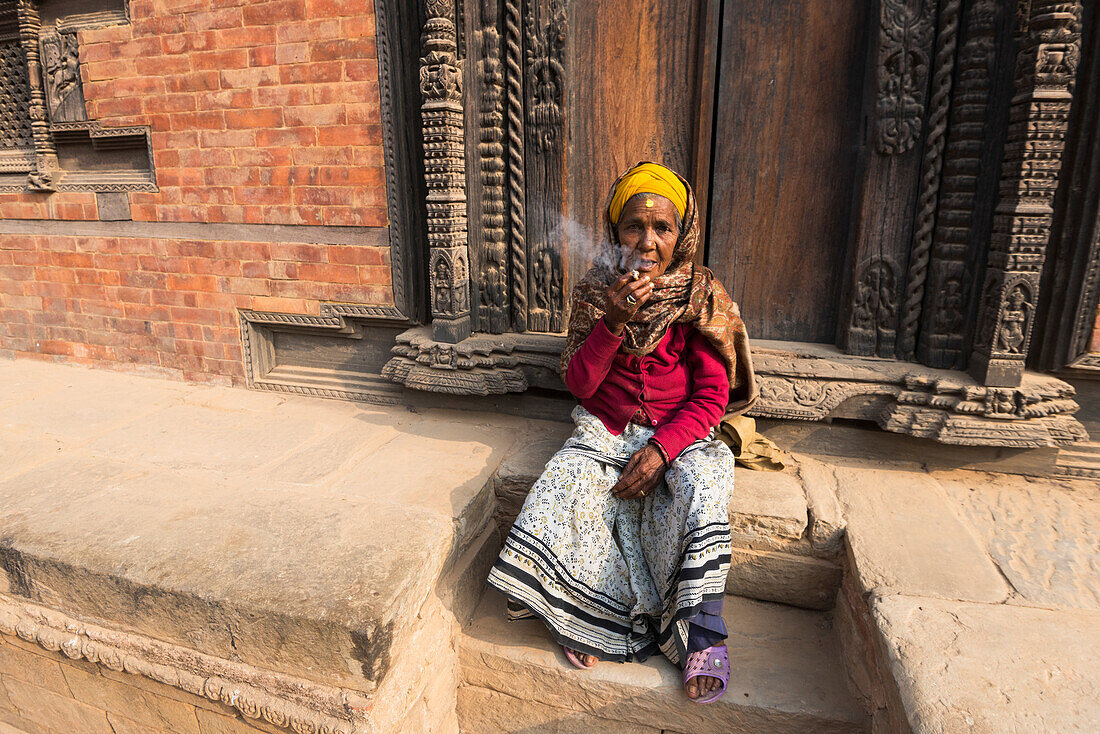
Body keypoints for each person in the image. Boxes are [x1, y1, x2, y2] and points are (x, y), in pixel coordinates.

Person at [487, 161, 758, 703]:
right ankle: (588, 616)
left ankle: (702, 631)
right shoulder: (596, 292)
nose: (648, 242)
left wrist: (662, 451)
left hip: (678, 433)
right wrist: (610, 324)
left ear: (682, 236)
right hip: (606, 428)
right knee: (566, 480)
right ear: (615, 232)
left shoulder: (698, 297)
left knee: (703, 488)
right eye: (635, 226)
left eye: (663, 228)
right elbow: (582, 385)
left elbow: (710, 397)